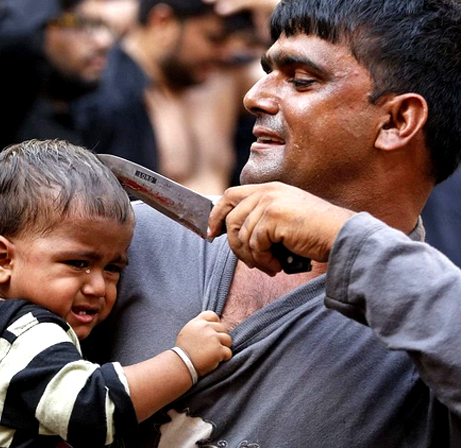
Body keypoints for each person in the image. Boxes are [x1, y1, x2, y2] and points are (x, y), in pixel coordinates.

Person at [85, 0, 461, 446]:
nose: (255, 96)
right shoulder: (133, 238)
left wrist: (343, 239)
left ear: (398, 121)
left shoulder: (426, 343)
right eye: (268, 71)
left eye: (301, 80)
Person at [0, 139, 233, 448]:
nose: (98, 286)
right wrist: (186, 360)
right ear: (1, 260)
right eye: (78, 263)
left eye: (113, 268)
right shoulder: (27, 334)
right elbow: (91, 408)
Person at [0, 0, 118, 319]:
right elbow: (16, 38)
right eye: (78, 24)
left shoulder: (78, 115)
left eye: (99, 27)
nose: (101, 41)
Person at [76, 0, 257, 194]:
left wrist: (270, 6)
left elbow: (286, 77)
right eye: (213, 38)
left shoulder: (225, 79)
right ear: (162, 22)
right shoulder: (105, 96)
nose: (225, 54)